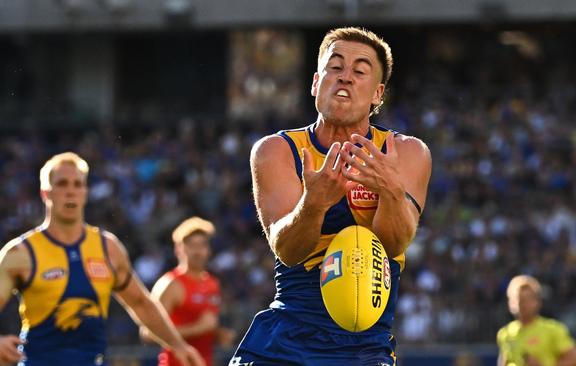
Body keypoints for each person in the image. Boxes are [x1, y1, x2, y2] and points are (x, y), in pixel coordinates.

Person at [230, 26, 432, 366]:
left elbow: (395, 244)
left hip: (364, 347)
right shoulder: (276, 151)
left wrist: (391, 191)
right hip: (284, 341)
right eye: (335, 67)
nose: (346, 77)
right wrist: (315, 203)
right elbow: (288, 251)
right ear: (315, 83)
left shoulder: (406, 153)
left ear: (377, 94)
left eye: (360, 70)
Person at [0, 152, 205, 366]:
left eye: (78, 184)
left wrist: (178, 346)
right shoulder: (20, 253)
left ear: (86, 192)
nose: (71, 191)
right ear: (45, 193)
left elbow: (141, 303)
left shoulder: (108, 249)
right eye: (62, 184)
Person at [140, 216, 234, 366]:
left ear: (208, 250)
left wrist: (218, 334)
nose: (198, 251)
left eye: (202, 245)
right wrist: (197, 328)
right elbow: (147, 333)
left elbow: (206, 326)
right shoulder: (170, 284)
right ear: (179, 249)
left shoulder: (212, 284)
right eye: (192, 245)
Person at [497, 275, 576, 366]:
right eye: (518, 299)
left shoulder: (553, 330)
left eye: (527, 300)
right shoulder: (505, 333)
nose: (522, 305)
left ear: (537, 301)